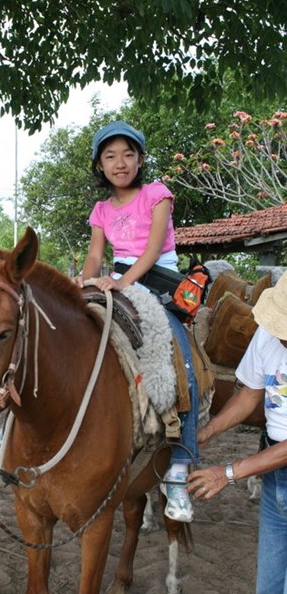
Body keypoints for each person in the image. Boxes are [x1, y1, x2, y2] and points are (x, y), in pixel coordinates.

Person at [78, 120, 200, 523]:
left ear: (141, 159)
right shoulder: (100, 210)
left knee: (179, 355)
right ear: (99, 165)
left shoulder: (156, 194)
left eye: (128, 154)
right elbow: (96, 256)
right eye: (110, 156)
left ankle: (182, 462)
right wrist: (85, 278)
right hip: (115, 280)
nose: (120, 163)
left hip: (157, 280)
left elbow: (150, 251)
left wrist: (122, 281)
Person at [187, 271, 287, 594]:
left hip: (277, 461)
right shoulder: (267, 334)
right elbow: (249, 395)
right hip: (275, 474)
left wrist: (227, 472)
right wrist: (208, 431)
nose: (280, 334)